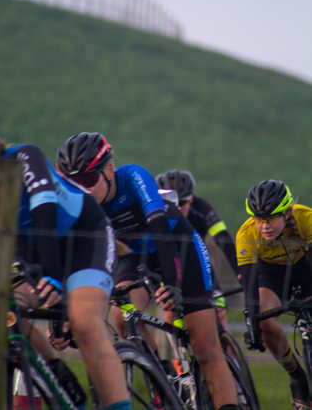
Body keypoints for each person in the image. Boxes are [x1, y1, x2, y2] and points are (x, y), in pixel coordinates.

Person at [57, 131, 241, 410]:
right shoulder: (84, 203)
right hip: (137, 255)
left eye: (88, 180)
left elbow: (160, 229)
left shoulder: (133, 177)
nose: (81, 189)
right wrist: (63, 313)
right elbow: (71, 254)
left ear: (108, 170)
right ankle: (165, 377)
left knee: (206, 350)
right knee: (122, 313)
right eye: (73, 183)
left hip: (179, 247)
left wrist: (174, 284)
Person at [0, 111, 131, 410]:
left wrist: (52, 275)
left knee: (83, 324)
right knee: (3, 316)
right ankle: (59, 377)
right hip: (30, 252)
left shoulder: (23, 157)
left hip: (82, 237)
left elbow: (44, 210)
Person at [236, 179, 312, 410]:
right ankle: (296, 376)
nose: (264, 225)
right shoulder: (246, 234)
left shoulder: (306, 218)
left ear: (287, 213)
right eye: (259, 219)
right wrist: (253, 324)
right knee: (264, 318)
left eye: (271, 218)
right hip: (273, 274)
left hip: (305, 267)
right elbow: (249, 286)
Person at [156, 169, 240, 326]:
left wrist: (241, 273)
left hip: (200, 264)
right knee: (171, 312)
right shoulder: (157, 213)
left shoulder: (201, 208)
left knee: (219, 311)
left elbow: (224, 240)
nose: (177, 209)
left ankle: (227, 346)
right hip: (170, 267)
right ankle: (177, 350)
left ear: (191, 198)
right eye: (172, 204)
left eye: (182, 203)